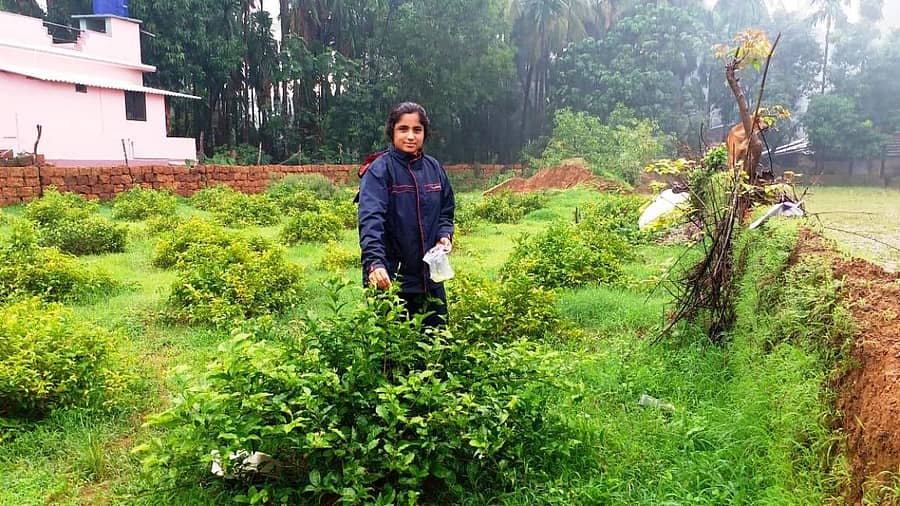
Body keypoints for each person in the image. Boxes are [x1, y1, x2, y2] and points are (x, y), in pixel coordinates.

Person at [357, 102, 455, 327]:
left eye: (417, 130)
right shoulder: (379, 170)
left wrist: (444, 234)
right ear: (392, 131)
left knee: (438, 347)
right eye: (403, 129)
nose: (410, 136)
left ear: (424, 133)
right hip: (391, 279)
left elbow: (446, 211)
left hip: (430, 279)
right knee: (392, 354)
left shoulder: (434, 168)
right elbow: (371, 222)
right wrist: (375, 264)